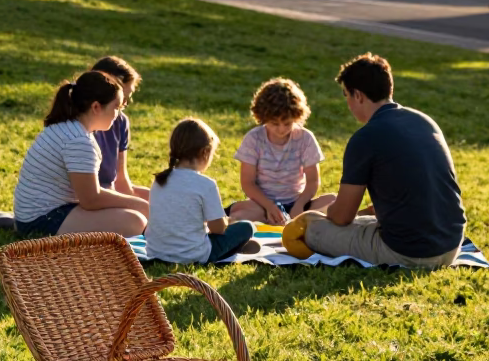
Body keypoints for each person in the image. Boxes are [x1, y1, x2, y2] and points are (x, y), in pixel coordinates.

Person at [285, 53, 466, 268]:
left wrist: (318, 214)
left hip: (409, 253)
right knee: (360, 222)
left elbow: (342, 216)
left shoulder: (365, 137)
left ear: (358, 96)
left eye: (347, 95)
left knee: (311, 227)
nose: (348, 104)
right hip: (451, 245)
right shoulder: (424, 121)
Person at [13, 70, 149, 237]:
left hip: (39, 214)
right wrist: (139, 204)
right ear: (96, 107)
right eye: (116, 107)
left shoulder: (67, 128)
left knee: (134, 215)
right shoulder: (79, 141)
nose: (118, 114)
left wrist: (134, 203)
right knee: (135, 221)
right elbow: (90, 199)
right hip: (41, 221)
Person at [146, 118, 256, 264]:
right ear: (204, 152)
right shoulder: (206, 184)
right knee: (247, 227)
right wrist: (228, 221)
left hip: (156, 253)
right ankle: (234, 247)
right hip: (193, 257)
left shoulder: (159, 181)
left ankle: (234, 247)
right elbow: (218, 229)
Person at [228, 77, 335, 226]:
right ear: (262, 118)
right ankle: (273, 220)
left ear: (297, 116)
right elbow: (248, 183)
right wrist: (269, 206)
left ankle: (288, 221)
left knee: (333, 201)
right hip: (262, 205)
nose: (281, 129)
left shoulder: (305, 138)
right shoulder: (253, 139)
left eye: (287, 123)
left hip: (297, 204)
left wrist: (300, 205)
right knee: (241, 212)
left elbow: (312, 181)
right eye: (274, 123)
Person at [89, 55, 150, 204]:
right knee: (139, 217)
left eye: (127, 99)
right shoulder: (79, 124)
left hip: (109, 190)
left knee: (164, 198)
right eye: (121, 98)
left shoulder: (120, 121)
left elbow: (120, 181)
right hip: (90, 196)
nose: (123, 105)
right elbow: (88, 193)